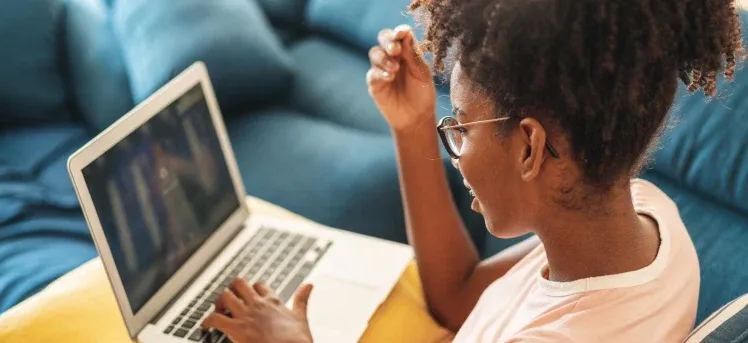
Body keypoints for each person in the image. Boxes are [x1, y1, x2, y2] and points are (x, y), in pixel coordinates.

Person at [201, 0, 744, 342]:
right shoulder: (650, 215)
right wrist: (414, 127)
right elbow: (457, 295)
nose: (454, 148)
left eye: (461, 125)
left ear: (530, 147)